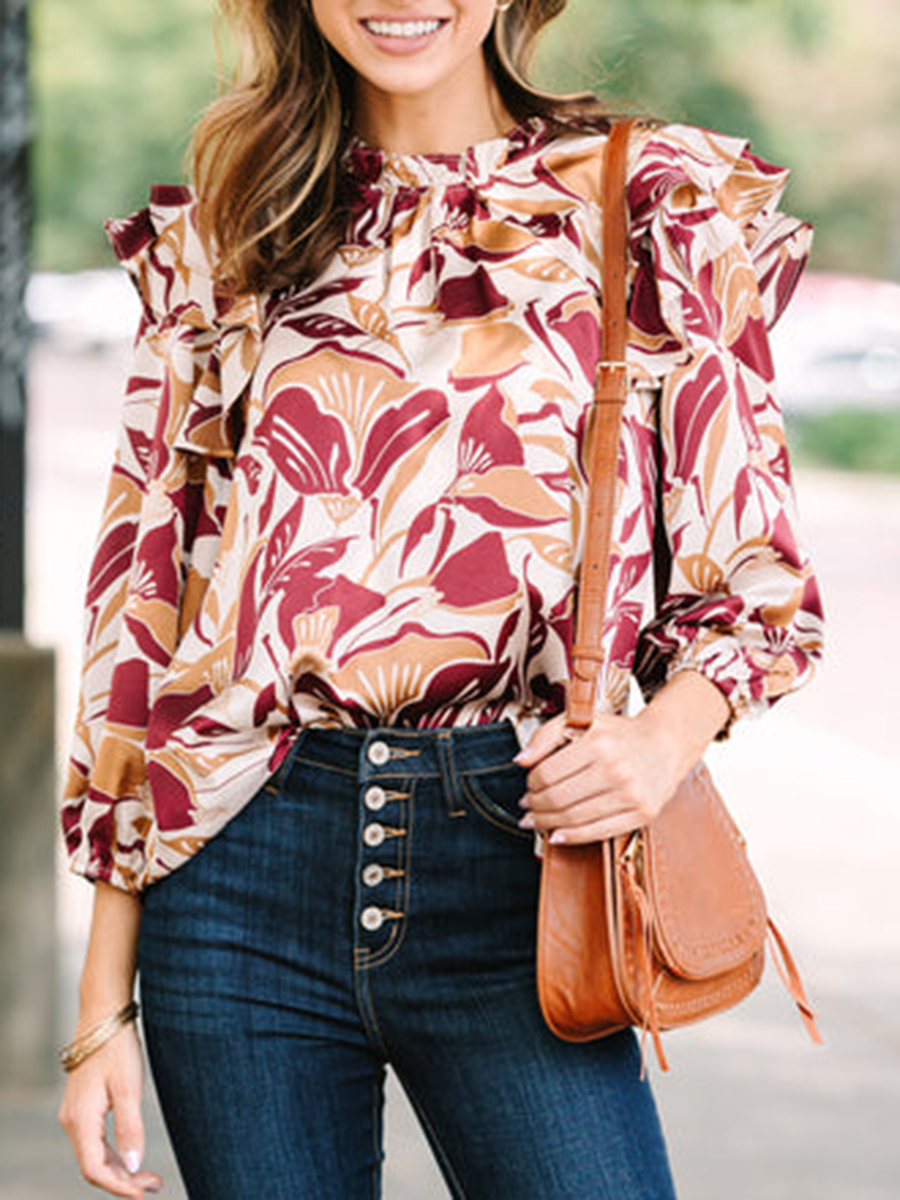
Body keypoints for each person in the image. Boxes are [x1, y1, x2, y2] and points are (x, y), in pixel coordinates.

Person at [57, 1, 824, 1197]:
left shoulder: (646, 202)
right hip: (241, 867)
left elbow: (756, 577)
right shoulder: (234, 228)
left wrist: (661, 742)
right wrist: (103, 1006)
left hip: (522, 861)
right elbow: (144, 610)